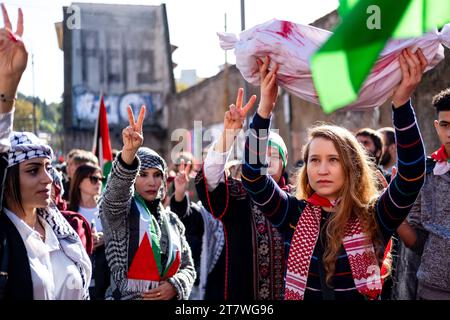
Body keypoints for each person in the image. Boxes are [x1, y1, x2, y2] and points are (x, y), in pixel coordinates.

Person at [241, 50, 427, 300]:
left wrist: (402, 103)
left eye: (333, 160)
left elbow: (412, 174)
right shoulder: (291, 214)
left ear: (352, 167)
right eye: (314, 160)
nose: (322, 169)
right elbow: (253, 177)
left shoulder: (375, 215)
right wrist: (264, 109)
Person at [0, 4, 91, 300]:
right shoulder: (5, 237)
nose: (48, 179)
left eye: (48, 167)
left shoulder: (60, 228)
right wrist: (8, 88)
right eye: (32, 170)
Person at [195, 84, 288, 300]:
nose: (265, 160)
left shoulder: (296, 200)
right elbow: (210, 179)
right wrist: (229, 135)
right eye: (261, 154)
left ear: (284, 163)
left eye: (273, 155)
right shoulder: (239, 195)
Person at [100, 105, 195, 300]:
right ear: (133, 178)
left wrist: (174, 286)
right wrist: (129, 153)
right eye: (143, 175)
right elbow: (115, 195)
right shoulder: (121, 214)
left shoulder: (173, 221)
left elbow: (188, 267)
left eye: (157, 175)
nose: (152, 182)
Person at [397, 87, 450, 300]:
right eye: (445, 125)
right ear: (437, 127)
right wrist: (394, 210)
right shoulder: (425, 173)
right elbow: (418, 242)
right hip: (431, 290)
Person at [169, 159, 225, 300]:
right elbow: (184, 215)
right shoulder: (203, 214)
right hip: (208, 290)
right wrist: (180, 194)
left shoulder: (240, 211)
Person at [68, 163, 110, 300]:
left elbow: (121, 235)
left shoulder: (108, 209)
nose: (98, 183)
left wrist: (105, 238)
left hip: (106, 276)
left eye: (101, 179)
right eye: (93, 179)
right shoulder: (69, 211)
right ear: (79, 182)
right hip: (77, 279)